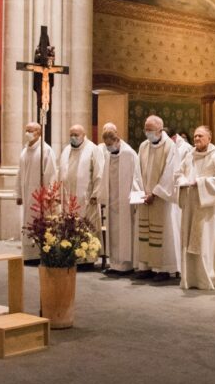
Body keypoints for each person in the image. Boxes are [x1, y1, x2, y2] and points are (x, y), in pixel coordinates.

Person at [175, 125, 215, 290]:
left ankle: (209, 278)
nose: (197, 139)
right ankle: (190, 279)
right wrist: (182, 182)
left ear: (209, 138)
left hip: (209, 209)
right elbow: (178, 174)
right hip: (191, 206)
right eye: (195, 136)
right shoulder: (189, 155)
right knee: (189, 240)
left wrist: (200, 183)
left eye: (200, 136)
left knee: (206, 242)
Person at [135, 115, 181, 281]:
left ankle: (163, 269)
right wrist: (141, 192)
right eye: (145, 129)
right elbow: (137, 171)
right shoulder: (143, 146)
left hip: (161, 199)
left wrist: (154, 193)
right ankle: (146, 266)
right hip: (145, 198)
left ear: (160, 130)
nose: (147, 133)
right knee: (145, 232)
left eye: (150, 130)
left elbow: (170, 173)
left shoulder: (170, 147)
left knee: (163, 232)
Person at [96, 123, 142, 275]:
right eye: (106, 145)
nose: (108, 148)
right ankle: (115, 264)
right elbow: (105, 177)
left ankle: (126, 265)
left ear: (117, 140)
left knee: (125, 233)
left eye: (110, 145)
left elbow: (136, 177)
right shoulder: (110, 154)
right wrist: (102, 196)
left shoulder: (129, 153)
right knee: (113, 233)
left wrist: (135, 197)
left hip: (125, 201)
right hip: (112, 200)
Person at [15, 122, 56, 262]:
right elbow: (20, 173)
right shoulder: (24, 151)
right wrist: (19, 194)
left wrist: (49, 194)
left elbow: (51, 174)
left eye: (30, 130)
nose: (27, 133)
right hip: (27, 195)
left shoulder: (46, 150)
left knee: (38, 222)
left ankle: (39, 254)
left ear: (38, 132)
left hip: (40, 196)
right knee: (27, 222)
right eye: (26, 130)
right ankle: (28, 254)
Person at [58, 124, 105, 235]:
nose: (73, 137)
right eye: (71, 135)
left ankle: (88, 251)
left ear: (84, 135)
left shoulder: (93, 149)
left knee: (86, 229)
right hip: (68, 196)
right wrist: (58, 194)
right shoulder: (66, 150)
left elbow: (99, 173)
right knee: (69, 227)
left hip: (87, 198)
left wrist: (95, 194)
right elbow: (61, 173)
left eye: (76, 135)